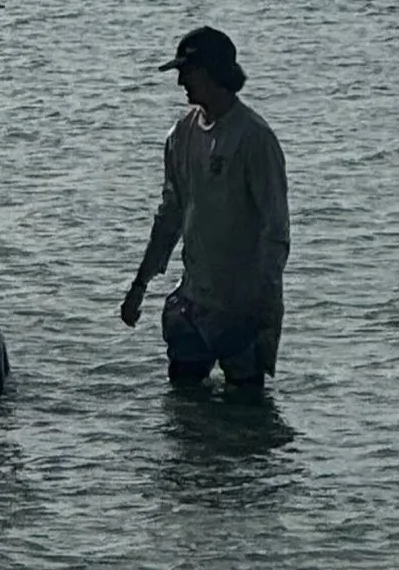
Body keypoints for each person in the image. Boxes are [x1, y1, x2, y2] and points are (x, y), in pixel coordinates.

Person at [120, 26, 289, 391]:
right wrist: (139, 285)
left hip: (241, 306)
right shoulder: (180, 136)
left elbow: (275, 230)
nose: (181, 81)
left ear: (214, 72)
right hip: (192, 301)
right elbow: (168, 218)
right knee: (183, 406)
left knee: (246, 416)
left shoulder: (254, 138)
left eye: (187, 71)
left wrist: (264, 301)